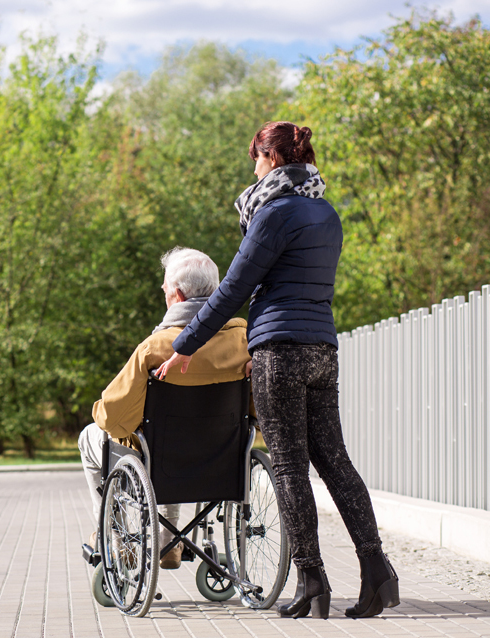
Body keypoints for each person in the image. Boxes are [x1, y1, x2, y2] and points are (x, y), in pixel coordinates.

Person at [156, 121, 399, 619]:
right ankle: (379, 574)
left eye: (255, 158)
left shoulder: (273, 214)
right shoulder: (326, 213)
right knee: (336, 463)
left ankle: (312, 582)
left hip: (279, 352)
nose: (253, 168)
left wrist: (185, 345)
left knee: (289, 466)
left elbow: (233, 289)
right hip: (322, 350)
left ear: (269, 159)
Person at [79, 247, 250, 570]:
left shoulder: (157, 348)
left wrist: (100, 409)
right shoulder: (244, 341)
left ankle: (114, 539)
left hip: (162, 458)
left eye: (165, 289)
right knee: (169, 441)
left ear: (178, 295)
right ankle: (168, 542)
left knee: (93, 436)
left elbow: (114, 417)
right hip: (222, 459)